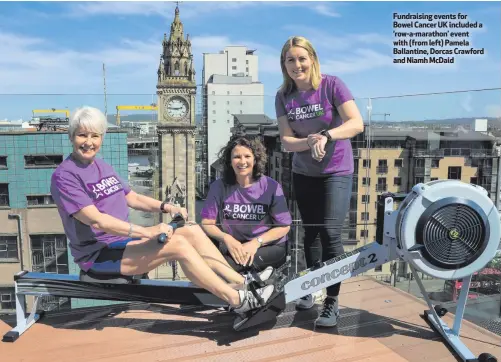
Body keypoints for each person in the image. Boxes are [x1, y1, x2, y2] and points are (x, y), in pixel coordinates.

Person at [50, 106, 275, 315]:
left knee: (191, 230)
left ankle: (241, 281)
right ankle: (239, 301)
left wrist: (166, 206)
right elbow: (97, 220)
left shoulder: (101, 166)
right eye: (82, 135)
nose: (89, 142)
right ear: (71, 137)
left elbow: (132, 197)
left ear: (101, 138)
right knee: (177, 244)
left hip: (122, 245)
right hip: (99, 255)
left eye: (95, 135)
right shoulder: (65, 176)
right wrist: (146, 231)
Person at [274, 36, 364, 327]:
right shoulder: (283, 96)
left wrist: (326, 136)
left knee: (330, 233)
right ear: (284, 64)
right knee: (310, 234)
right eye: (290, 59)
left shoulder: (332, 85)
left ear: (312, 59)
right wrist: (308, 143)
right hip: (304, 172)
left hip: (337, 171)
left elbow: (355, 123)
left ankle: (332, 300)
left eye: (301, 58)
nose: (297, 64)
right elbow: (287, 141)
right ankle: (311, 286)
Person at [201, 134, 292, 274]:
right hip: (235, 245)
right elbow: (207, 222)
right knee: (208, 266)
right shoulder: (219, 186)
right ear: (229, 161)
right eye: (237, 157)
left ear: (256, 159)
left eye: (247, 156)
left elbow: (284, 226)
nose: (242, 161)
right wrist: (227, 239)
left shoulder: (271, 187)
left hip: (268, 246)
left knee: (222, 270)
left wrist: (256, 242)